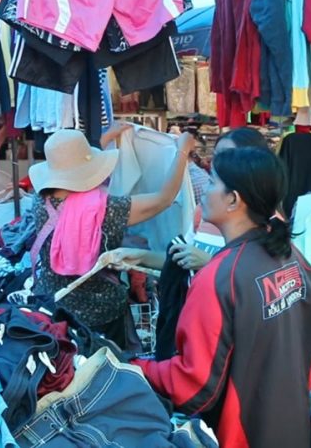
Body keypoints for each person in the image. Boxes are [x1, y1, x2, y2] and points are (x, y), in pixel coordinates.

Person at [132, 147, 311, 447]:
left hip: (243, 434)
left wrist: (136, 367)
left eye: (211, 183)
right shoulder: (292, 257)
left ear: (233, 199)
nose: (204, 193)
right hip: (292, 424)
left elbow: (193, 385)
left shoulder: (220, 276)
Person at [29, 128, 194, 348]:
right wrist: (182, 151)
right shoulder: (106, 209)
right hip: (104, 315)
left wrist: (105, 139)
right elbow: (164, 199)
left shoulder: (40, 202)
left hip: (54, 309)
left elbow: (78, 171)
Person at [114, 127, 271, 272]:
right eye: (216, 155)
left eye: (228, 155)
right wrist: (141, 256)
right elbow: (184, 256)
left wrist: (210, 262)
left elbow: (259, 280)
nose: (218, 162)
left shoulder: (270, 225)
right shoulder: (206, 212)